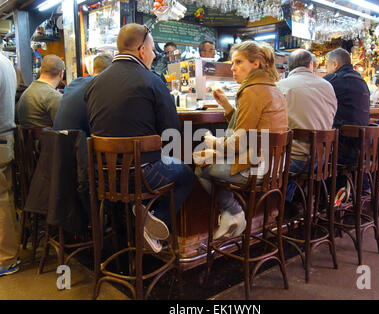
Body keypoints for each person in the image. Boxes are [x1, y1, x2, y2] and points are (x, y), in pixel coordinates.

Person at [84, 23, 194, 252]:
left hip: (101, 176)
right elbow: (171, 132)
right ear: (142, 50)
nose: (154, 55)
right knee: (186, 174)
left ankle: (139, 218)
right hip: (141, 175)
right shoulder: (152, 80)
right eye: (153, 50)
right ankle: (151, 219)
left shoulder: (94, 83)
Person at [194, 41, 288, 239]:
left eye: (238, 62)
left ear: (256, 63)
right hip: (275, 167)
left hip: (256, 169)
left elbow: (239, 142)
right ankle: (232, 215)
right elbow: (252, 125)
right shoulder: (271, 87)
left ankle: (234, 213)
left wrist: (213, 144)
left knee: (201, 167)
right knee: (209, 159)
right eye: (232, 63)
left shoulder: (251, 91)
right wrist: (228, 107)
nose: (233, 68)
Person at [276, 49, 337, 203]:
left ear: (289, 66)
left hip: (295, 160)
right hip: (322, 159)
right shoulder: (328, 86)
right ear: (311, 64)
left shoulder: (280, 86)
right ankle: (297, 203)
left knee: (262, 159)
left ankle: (280, 208)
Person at [324, 47, 370, 165]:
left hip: (341, 147)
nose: (325, 69)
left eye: (326, 65)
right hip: (362, 145)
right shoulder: (361, 79)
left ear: (335, 64)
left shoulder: (333, 80)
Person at [53, 53, 113, 136]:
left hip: (57, 141)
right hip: (79, 144)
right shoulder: (102, 86)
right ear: (111, 71)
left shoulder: (75, 82)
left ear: (93, 69)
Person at [0, 52, 20, 276]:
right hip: (5, 137)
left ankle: (6, 259)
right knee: (4, 198)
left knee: (2, 201)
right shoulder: (6, 61)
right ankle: (8, 255)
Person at [17, 54, 64, 128]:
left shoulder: (26, 92)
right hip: (48, 139)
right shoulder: (54, 96)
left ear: (40, 70)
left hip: (26, 139)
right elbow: (63, 128)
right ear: (61, 74)